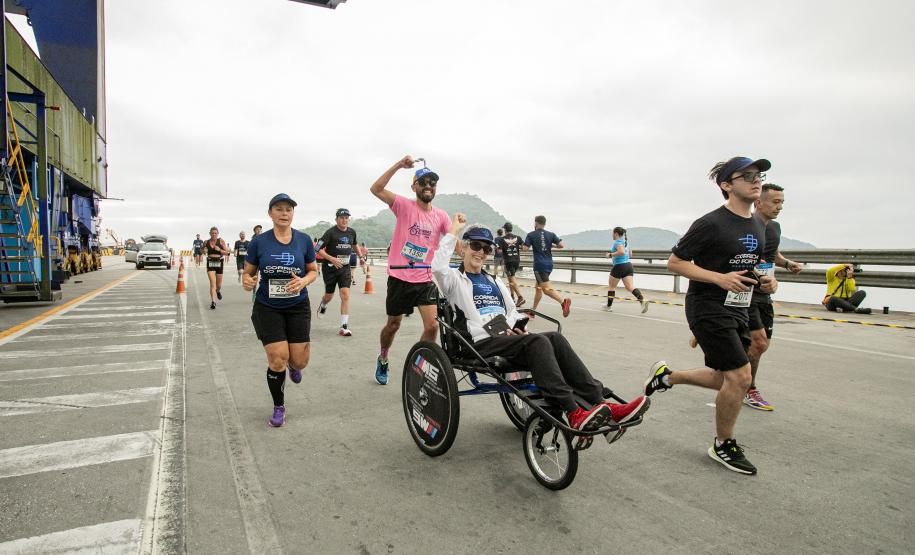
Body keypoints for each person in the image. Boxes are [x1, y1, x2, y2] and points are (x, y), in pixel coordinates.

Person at [433, 215, 650, 431]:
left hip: (506, 337)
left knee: (554, 338)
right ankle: (572, 411)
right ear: (463, 247)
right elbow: (437, 267)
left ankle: (602, 404)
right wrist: (453, 230)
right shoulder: (453, 279)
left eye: (486, 249)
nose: (480, 252)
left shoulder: (494, 280)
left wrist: (517, 327)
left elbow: (511, 312)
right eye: (475, 245)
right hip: (478, 342)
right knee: (537, 342)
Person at [646, 156, 778, 476]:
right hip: (707, 304)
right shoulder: (710, 223)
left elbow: (748, 265)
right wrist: (719, 280)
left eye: (757, 175)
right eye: (746, 176)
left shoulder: (758, 225)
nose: (755, 180)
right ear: (727, 185)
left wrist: (767, 279)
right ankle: (723, 445)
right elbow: (676, 263)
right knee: (741, 377)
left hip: (738, 308)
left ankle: (667, 377)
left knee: (727, 378)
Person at [369, 155, 451, 385]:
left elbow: (453, 239)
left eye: (432, 183)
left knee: (433, 325)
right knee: (393, 325)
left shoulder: (441, 216)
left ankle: (420, 366)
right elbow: (376, 188)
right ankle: (383, 356)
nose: (428, 186)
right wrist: (398, 165)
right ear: (414, 186)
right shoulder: (404, 206)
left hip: (424, 279)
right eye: (423, 182)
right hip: (399, 277)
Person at [242, 194, 318, 428]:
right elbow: (248, 272)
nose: (284, 213)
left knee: (299, 361)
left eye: (288, 209)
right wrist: (247, 280)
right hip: (267, 307)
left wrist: (304, 281)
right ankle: (279, 406)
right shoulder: (259, 242)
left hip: (297, 307)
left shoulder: (304, 240)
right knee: (277, 360)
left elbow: (313, 270)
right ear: (270, 213)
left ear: (293, 214)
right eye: (279, 209)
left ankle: (295, 367)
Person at [744, 183, 804, 411]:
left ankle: (735, 377)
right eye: (775, 202)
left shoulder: (774, 228)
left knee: (761, 344)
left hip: (764, 293)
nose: (779, 207)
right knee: (758, 342)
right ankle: (748, 388)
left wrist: (787, 263)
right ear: (759, 202)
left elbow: (772, 254)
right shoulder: (746, 226)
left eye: (782, 203)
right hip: (747, 291)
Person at [316, 208, 358, 336]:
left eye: (346, 218)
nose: (344, 220)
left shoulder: (352, 232)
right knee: (329, 296)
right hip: (330, 268)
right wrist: (331, 258)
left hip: (345, 268)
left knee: (345, 294)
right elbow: (318, 248)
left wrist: (361, 256)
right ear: (336, 219)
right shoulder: (330, 233)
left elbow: (355, 245)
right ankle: (323, 304)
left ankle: (344, 326)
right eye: (342, 218)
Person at [523, 215, 571, 317]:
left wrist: (522, 246)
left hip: (539, 266)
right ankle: (533, 311)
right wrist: (552, 245)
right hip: (549, 264)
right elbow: (561, 245)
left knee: (546, 290)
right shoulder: (551, 234)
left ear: (535, 223)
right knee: (538, 288)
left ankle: (563, 302)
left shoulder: (531, 235)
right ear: (544, 224)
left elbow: (525, 248)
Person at [604, 226, 649, 313]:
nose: (611, 235)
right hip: (628, 266)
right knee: (630, 287)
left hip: (619, 266)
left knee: (611, 287)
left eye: (612, 233)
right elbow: (630, 254)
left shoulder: (617, 242)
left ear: (616, 234)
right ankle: (642, 300)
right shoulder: (626, 242)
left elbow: (621, 252)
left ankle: (608, 307)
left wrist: (610, 255)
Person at [498, 222, 525, 307]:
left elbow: (499, 250)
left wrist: (500, 248)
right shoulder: (518, 237)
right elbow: (524, 248)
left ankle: (520, 297)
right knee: (510, 279)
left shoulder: (502, 239)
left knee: (512, 278)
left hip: (508, 261)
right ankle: (512, 297)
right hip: (517, 261)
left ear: (505, 229)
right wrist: (516, 246)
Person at [203, 227, 229, 310]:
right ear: (210, 233)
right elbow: (201, 251)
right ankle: (213, 302)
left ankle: (218, 291)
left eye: (215, 233)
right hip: (210, 262)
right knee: (212, 284)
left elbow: (227, 253)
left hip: (219, 262)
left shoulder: (221, 241)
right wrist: (204, 251)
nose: (214, 234)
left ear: (218, 234)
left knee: (218, 285)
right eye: (212, 233)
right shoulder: (206, 242)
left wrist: (220, 250)